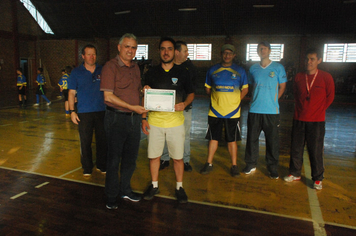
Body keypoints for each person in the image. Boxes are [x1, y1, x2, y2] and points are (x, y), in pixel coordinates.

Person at [141, 37, 195, 203]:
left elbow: (191, 93)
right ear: (159, 51)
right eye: (163, 49)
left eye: (170, 49)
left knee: (178, 158)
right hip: (155, 123)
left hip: (176, 123)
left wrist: (184, 103)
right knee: (154, 157)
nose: (166, 52)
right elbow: (144, 95)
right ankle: (155, 185)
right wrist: (144, 116)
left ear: (174, 51)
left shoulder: (183, 73)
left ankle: (179, 187)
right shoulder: (151, 73)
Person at [100, 33, 148, 210]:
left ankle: (125, 190)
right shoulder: (110, 67)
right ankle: (111, 196)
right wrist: (132, 107)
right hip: (116, 118)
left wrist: (144, 91)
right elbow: (108, 96)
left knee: (130, 159)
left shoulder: (135, 67)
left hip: (134, 119)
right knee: (113, 160)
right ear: (119, 47)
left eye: (133, 47)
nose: (130, 50)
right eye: (127, 46)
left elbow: (136, 92)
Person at [284, 48, 335, 190]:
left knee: (315, 150)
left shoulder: (326, 77)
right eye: (307, 59)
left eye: (312, 59)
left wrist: (319, 110)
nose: (309, 62)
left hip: (317, 121)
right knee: (296, 148)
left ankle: (318, 178)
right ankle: (295, 173)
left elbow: (330, 96)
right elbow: (295, 93)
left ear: (319, 60)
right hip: (299, 118)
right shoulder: (299, 77)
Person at [200, 44, 249, 177]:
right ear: (221, 54)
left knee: (231, 140)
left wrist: (236, 100)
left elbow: (245, 89)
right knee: (213, 138)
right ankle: (208, 163)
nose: (227, 55)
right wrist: (217, 99)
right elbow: (208, 88)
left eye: (230, 53)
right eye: (225, 53)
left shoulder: (240, 71)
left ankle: (234, 166)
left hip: (233, 112)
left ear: (234, 55)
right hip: (215, 111)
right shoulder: (212, 70)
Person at [243, 41, 287, 179]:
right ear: (257, 51)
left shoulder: (278, 68)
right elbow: (250, 86)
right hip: (255, 110)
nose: (262, 51)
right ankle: (251, 164)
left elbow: (282, 87)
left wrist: (274, 100)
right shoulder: (253, 69)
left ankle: (272, 167)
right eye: (260, 49)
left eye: (265, 49)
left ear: (269, 51)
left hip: (271, 111)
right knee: (251, 139)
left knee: (272, 141)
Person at [68, 44, 107, 178]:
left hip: (102, 111)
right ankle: (87, 167)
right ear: (83, 56)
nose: (92, 57)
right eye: (89, 54)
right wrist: (72, 111)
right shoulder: (76, 72)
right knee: (85, 141)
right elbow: (71, 93)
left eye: (94, 54)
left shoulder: (103, 70)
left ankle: (102, 165)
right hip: (84, 112)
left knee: (102, 141)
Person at [160, 41, 198, 172]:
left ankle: (185, 160)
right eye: (185, 51)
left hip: (184, 109)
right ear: (177, 52)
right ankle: (165, 158)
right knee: (165, 134)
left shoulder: (189, 68)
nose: (187, 54)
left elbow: (191, 91)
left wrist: (185, 103)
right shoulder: (164, 68)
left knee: (184, 135)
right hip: (166, 110)